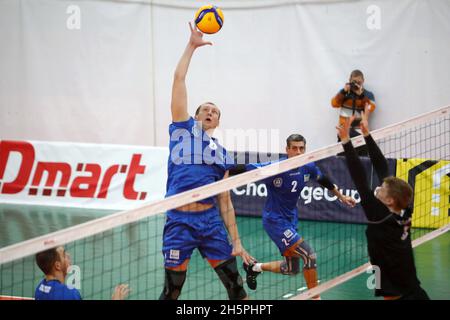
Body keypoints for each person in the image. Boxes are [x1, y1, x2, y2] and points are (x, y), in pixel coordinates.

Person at [160, 22, 254, 300]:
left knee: (237, 289)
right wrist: (191, 46)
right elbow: (178, 80)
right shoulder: (182, 128)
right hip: (179, 222)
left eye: (215, 111)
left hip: (210, 223)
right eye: (205, 109)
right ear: (196, 115)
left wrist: (236, 241)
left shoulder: (223, 154)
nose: (210, 112)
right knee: (172, 290)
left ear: (218, 120)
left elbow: (225, 200)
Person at [237, 134, 356, 299]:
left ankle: (254, 268)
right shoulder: (275, 168)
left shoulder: (308, 166)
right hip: (274, 221)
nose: (298, 152)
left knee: (291, 269)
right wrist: (220, 170)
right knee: (309, 254)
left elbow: (324, 180)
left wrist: (341, 196)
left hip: (291, 219)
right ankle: (315, 297)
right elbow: (244, 168)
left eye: (301, 148)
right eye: (294, 148)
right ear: (287, 150)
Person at [336, 106, 430, 300]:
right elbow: (381, 166)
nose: (378, 188)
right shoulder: (404, 210)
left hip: (398, 293)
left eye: (382, 189)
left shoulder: (379, 216)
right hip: (412, 287)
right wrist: (367, 135)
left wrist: (346, 141)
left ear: (389, 200)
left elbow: (359, 178)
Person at [35, 246, 129, 300]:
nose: (68, 255)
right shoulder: (69, 293)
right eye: (64, 255)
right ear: (58, 266)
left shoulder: (39, 288)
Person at [331, 70, 376, 143]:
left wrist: (361, 96)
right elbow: (334, 104)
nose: (356, 85)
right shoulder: (344, 92)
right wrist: (343, 91)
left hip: (360, 132)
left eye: (359, 82)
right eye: (354, 82)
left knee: (361, 154)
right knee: (342, 154)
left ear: (363, 81)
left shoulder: (368, 94)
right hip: (344, 131)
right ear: (349, 80)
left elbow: (371, 108)